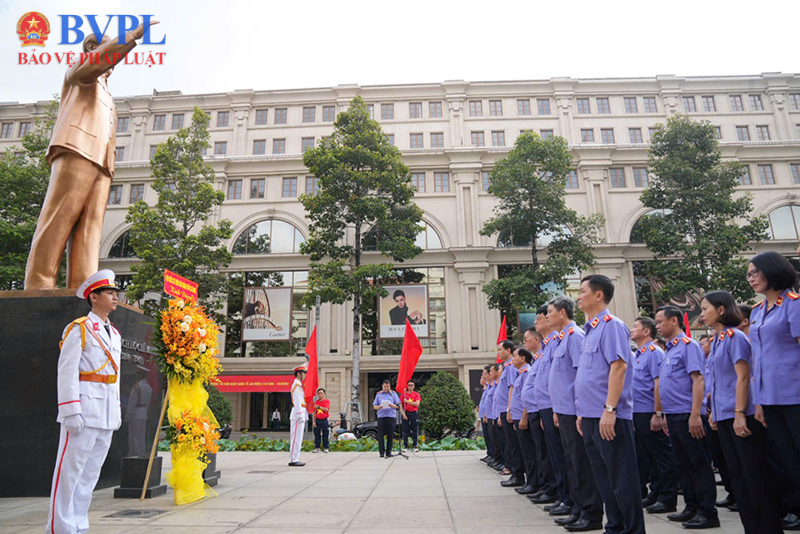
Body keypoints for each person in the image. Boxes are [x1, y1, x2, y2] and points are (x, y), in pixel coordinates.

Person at [25, 21, 159, 290]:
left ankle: (84, 286)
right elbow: (93, 64)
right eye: (107, 48)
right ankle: (39, 283)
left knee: (90, 228)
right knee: (59, 216)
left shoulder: (107, 94)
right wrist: (131, 37)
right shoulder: (79, 69)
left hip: (103, 163)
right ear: (91, 47)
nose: (113, 60)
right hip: (76, 149)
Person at [701, 290, 784, 534]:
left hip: (741, 415)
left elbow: (743, 377)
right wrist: (714, 413)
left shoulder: (735, 337)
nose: (702, 313)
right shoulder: (717, 340)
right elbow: (718, 381)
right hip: (724, 416)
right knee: (738, 478)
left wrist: (739, 413)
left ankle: (768, 528)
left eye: (705, 308)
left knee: (754, 476)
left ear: (721, 310)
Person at [46, 270, 122, 534]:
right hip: (84, 408)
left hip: (106, 410)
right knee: (69, 471)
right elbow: (66, 371)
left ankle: (78, 523)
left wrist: (117, 409)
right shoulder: (79, 328)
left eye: (115, 293)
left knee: (90, 473)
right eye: (109, 293)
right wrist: (70, 411)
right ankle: (60, 527)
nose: (115, 297)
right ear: (94, 297)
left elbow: (115, 376)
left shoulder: (115, 333)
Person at [574, 275, 645, 534]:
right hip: (591, 416)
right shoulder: (590, 331)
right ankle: (615, 527)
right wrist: (582, 413)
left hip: (609, 416)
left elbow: (619, 368)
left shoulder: (612, 325)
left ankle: (632, 530)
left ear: (598, 295)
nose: (578, 296)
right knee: (604, 478)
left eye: (582, 291)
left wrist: (610, 409)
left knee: (621, 478)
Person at [748, 252, 800, 530]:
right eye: (749, 274)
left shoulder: (794, 304)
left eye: (756, 272)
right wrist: (758, 401)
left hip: (794, 395)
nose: (752, 278)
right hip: (770, 398)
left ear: (772, 271)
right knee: (788, 461)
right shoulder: (757, 311)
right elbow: (757, 358)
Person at [655, 305, 719, 529]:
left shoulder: (688, 346)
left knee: (698, 463)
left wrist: (695, 414)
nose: (657, 326)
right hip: (673, 415)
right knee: (683, 464)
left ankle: (707, 511)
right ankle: (691, 506)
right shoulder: (669, 349)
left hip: (687, 414)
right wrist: (664, 414)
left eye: (660, 321)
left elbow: (698, 380)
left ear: (674, 321)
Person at [548, 295, 604, 532]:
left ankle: (590, 514)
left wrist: (580, 409)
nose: (547, 316)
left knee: (581, 464)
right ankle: (578, 509)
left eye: (550, 312)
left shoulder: (575, 336)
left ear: (562, 312)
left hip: (575, 411)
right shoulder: (563, 339)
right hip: (564, 411)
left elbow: (582, 374)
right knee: (571, 463)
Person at [630, 316, 678, 514]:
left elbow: (659, 384)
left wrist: (658, 413)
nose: (631, 330)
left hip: (650, 411)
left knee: (662, 456)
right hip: (638, 412)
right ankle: (656, 492)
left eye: (635, 326)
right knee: (650, 457)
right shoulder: (639, 354)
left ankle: (668, 498)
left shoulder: (654, 353)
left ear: (646, 331)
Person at [532, 305, 574, 516]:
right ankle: (562, 496)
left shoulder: (560, 340)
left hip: (557, 406)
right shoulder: (547, 346)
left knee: (563, 455)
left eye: (541, 317)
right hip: (548, 407)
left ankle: (568, 498)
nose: (538, 321)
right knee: (555, 455)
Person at [520, 327, 558, 501]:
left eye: (526, 339)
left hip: (545, 409)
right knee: (541, 451)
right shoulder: (537, 358)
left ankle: (552, 490)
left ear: (536, 340)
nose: (524, 342)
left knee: (547, 453)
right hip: (538, 410)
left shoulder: (548, 350)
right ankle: (545, 487)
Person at [495, 340, 524, 486]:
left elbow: (512, 388)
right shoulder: (507, 367)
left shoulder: (511, 367)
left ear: (508, 350)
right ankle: (515, 473)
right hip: (504, 410)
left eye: (500, 349)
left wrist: (509, 409)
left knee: (513, 444)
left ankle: (517, 475)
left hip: (509, 411)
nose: (498, 352)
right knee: (511, 443)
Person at [508, 347, 535, 493]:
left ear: (523, 358)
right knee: (524, 451)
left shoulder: (527, 372)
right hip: (518, 417)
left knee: (529, 452)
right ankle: (529, 481)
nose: (512, 359)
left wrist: (524, 417)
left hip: (523, 418)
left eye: (514, 356)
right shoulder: (520, 374)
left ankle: (533, 482)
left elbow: (527, 398)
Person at [125, 367, 152, 458]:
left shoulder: (136, 387)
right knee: (142, 435)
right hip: (144, 413)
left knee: (134, 435)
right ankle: (141, 452)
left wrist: (128, 415)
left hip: (135, 413)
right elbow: (148, 403)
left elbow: (132, 402)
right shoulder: (149, 388)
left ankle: (135, 453)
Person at [373, 379, 401, 458]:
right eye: (385, 387)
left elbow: (398, 406)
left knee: (390, 435)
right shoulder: (379, 395)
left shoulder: (393, 394)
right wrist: (379, 407)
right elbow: (374, 406)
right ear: (382, 386)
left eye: (387, 387)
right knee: (380, 435)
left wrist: (393, 406)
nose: (386, 388)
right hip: (381, 417)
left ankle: (389, 452)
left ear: (390, 386)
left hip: (391, 417)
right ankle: (381, 452)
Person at [289, 364, 308, 467]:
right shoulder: (296, 385)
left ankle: (295, 457)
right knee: (296, 438)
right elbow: (297, 402)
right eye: (303, 373)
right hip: (297, 415)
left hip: (300, 414)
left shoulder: (299, 385)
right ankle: (293, 459)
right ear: (298, 374)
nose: (305, 375)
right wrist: (300, 415)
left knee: (298, 438)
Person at [478, 367, 494, 463]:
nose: (482, 376)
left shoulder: (492, 386)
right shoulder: (487, 387)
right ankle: (490, 454)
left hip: (491, 416)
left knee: (493, 439)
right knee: (488, 437)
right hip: (486, 415)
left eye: (484, 374)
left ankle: (494, 456)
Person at [400, 380, 421, 453]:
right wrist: (403, 414)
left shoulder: (416, 394)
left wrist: (408, 402)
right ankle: (405, 446)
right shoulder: (403, 395)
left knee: (414, 429)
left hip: (413, 413)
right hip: (406, 413)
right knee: (405, 430)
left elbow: (417, 403)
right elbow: (400, 406)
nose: (410, 387)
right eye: (409, 385)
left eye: (412, 385)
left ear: (414, 386)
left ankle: (415, 445)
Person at [313, 388, 330, 453]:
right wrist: (313, 421)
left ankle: (326, 447)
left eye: (321, 393)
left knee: (325, 434)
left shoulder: (326, 401)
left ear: (324, 394)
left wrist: (318, 407)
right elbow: (314, 412)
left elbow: (326, 409)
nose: (320, 394)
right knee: (317, 434)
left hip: (324, 420)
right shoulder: (316, 402)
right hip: (317, 420)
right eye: (319, 393)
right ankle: (317, 447)